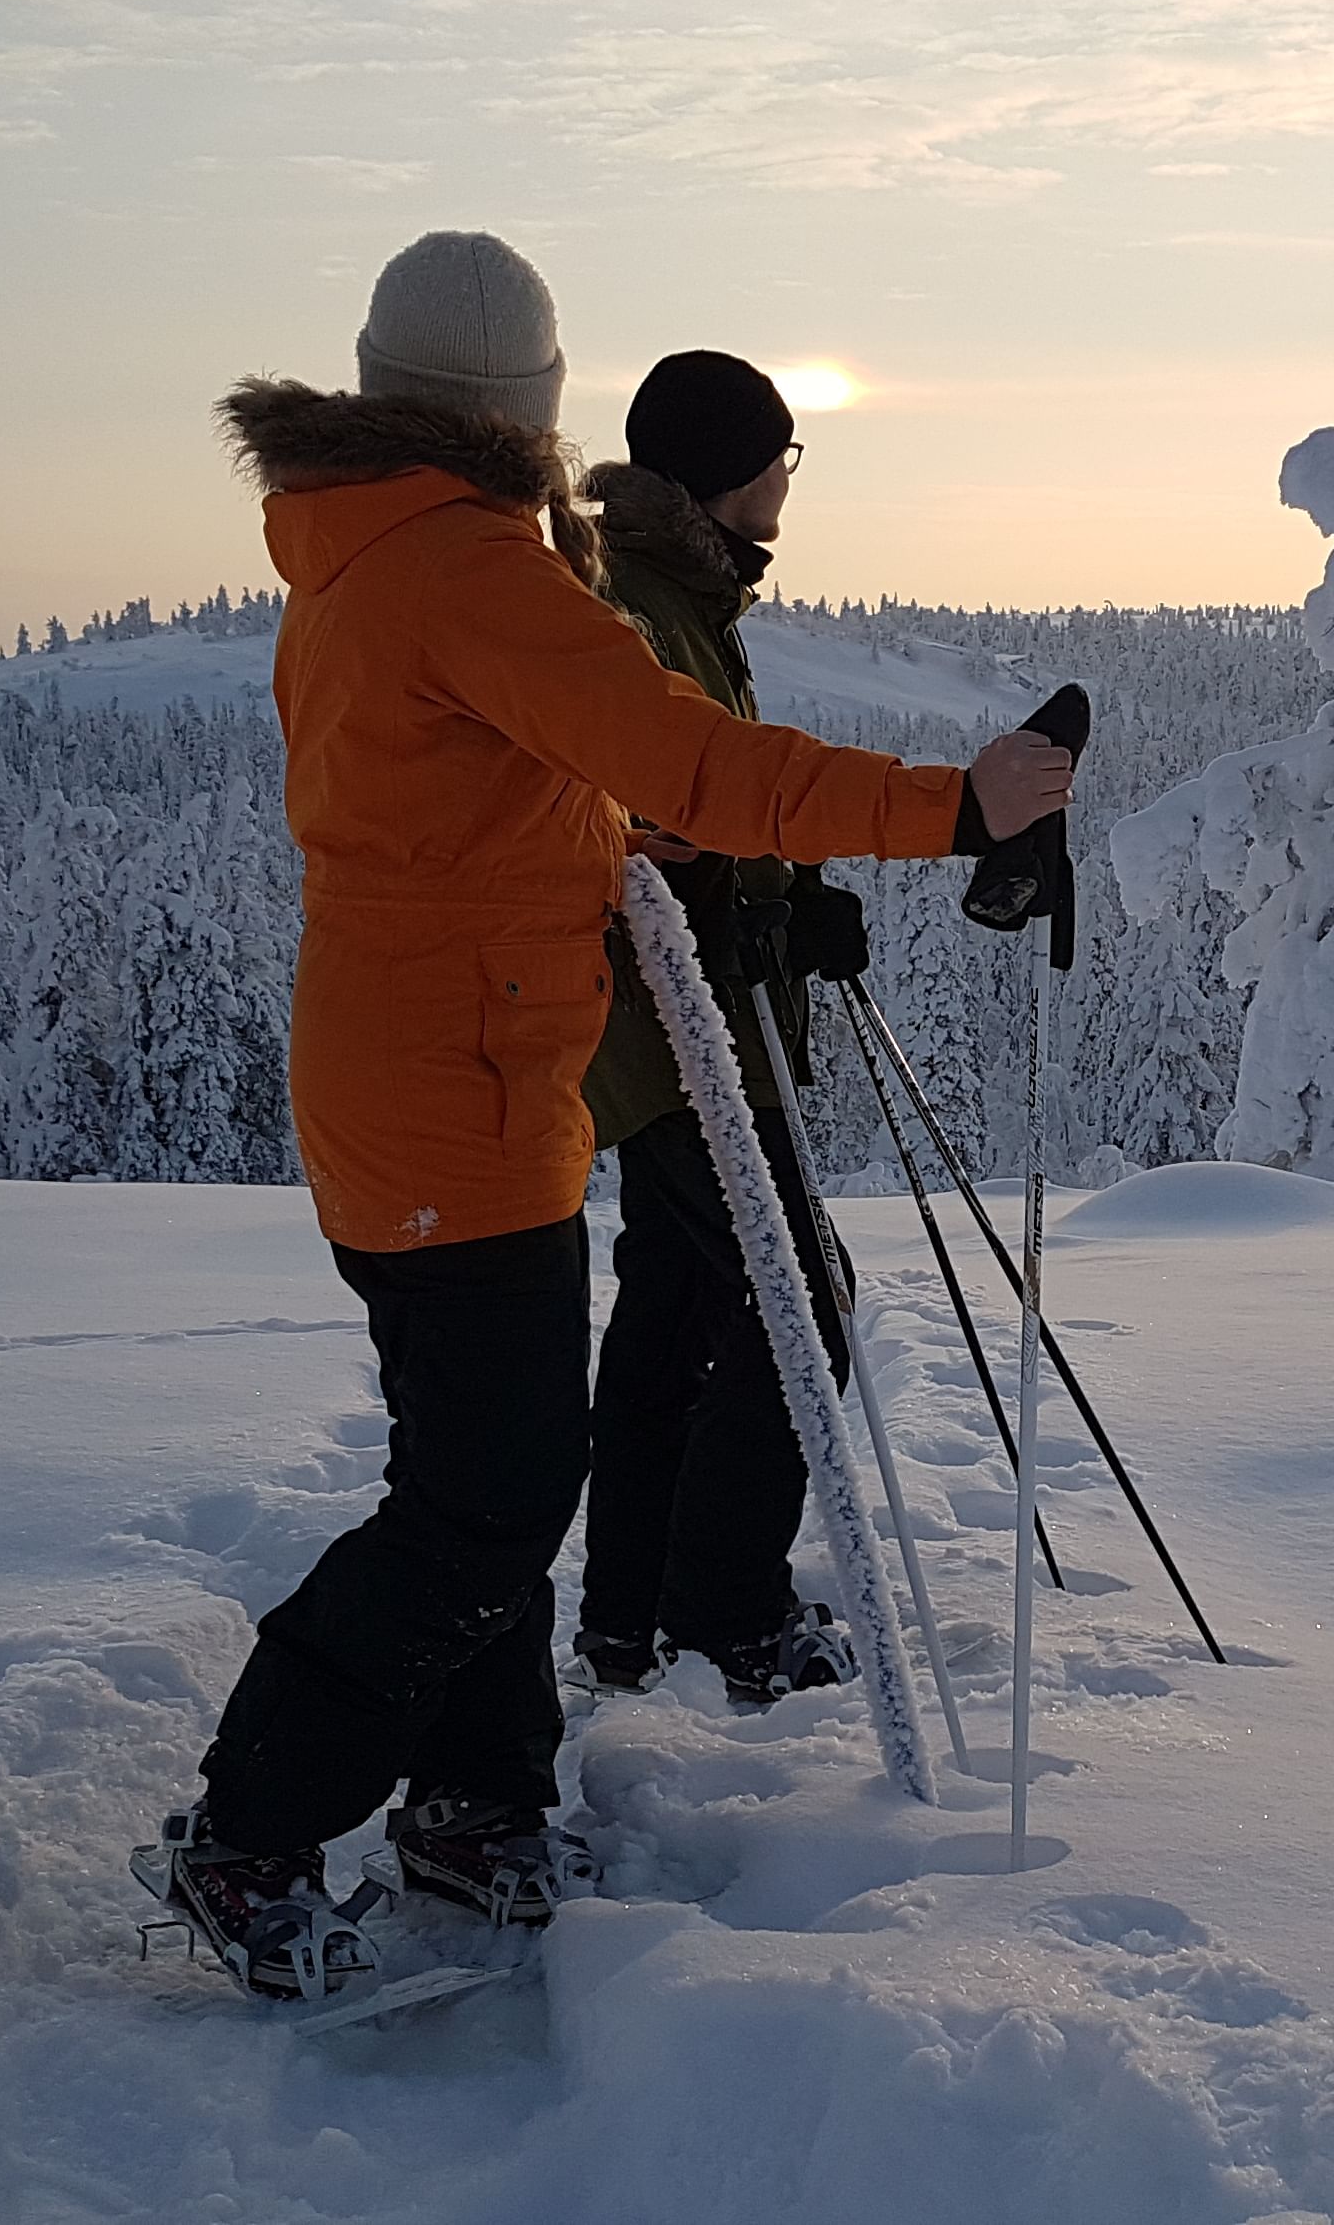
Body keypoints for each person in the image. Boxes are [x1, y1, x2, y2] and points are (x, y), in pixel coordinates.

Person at [150, 232, 1071, 2002]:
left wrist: (602, 848)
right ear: (530, 406)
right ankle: (251, 1830)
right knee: (487, 1499)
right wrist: (960, 805)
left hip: (429, 1077)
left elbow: (470, 803)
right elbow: (692, 759)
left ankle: (475, 1804)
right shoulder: (472, 570)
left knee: (492, 1464)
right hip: (455, 1099)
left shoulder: (361, 550)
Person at [569, 351, 868, 1709]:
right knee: (801, 1298)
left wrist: (788, 895)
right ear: (715, 470)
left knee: (681, 1310)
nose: (786, 477)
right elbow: (658, 814)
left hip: (682, 1026)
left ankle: (633, 1615)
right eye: (777, 453)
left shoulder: (673, 596)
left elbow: (704, 815)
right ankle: (722, 1614)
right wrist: (759, 892)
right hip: (672, 1033)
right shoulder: (636, 609)